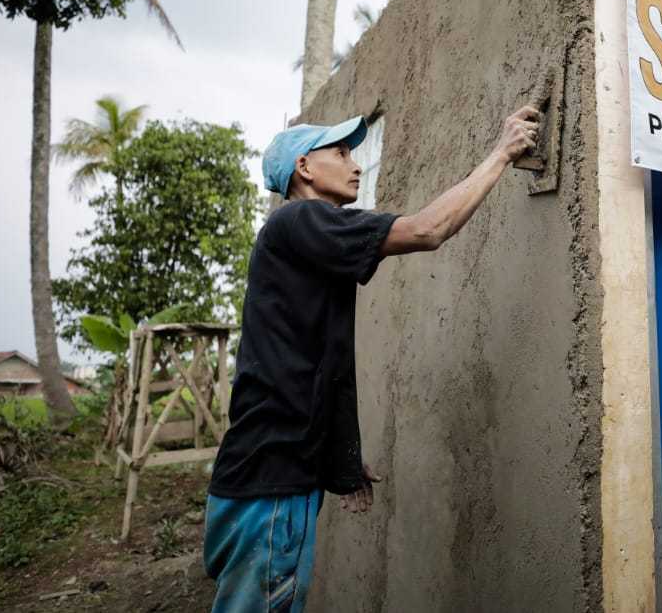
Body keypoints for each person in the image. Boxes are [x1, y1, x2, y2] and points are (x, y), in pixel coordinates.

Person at [203, 105, 540, 612]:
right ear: (304, 169)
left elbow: (314, 366)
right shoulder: (302, 217)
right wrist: (502, 153)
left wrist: (339, 458)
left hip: (269, 479)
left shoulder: (304, 237)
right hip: (269, 488)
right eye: (341, 153)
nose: (356, 164)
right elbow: (428, 230)